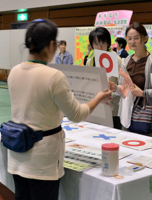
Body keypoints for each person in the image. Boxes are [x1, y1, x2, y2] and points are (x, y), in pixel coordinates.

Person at [7, 19, 112, 200]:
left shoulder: (14, 71)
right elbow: (77, 114)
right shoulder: (53, 76)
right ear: (50, 45)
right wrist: (99, 98)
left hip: (17, 154)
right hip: (42, 159)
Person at [109, 22, 152, 136]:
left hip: (144, 114)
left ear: (145, 38)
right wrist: (116, 88)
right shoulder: (127, 60)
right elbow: (125, 88)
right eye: (129, 38)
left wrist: (142, 93)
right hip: (127, 112)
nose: (132, 42)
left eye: (136, 38)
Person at [86, 27, 123, 129]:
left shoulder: (116, 60)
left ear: (108, 43)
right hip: (95, 108)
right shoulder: (90, 61)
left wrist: (113, 91)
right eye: (96, 44)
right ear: (92, 45)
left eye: (102, 43)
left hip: (112, 109)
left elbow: (124, 85)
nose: (100, 47)